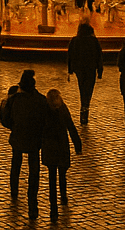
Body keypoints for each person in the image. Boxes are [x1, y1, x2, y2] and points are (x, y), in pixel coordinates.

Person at [7, 68, 48, 219]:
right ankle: (32, 205)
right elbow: (45, 120)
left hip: (18, 136)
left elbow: (7, 118)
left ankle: (14, 190)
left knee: (16, 163)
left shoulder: (14, 99)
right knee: (34, 170)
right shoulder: (41, 100)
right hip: (34, 140)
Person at [41, 88, 82, 221]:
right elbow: (71, 126)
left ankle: (53, 209)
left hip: (49, 148)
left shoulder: (45, 111)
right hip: (62, 147)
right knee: (62, 174)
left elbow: (39, 129)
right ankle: (63, 196)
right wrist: (77, 145)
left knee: (52, 179)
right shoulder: (63, 110)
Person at [66, 18, 103, 124]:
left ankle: (84, 107)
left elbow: (70, 55)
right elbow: (99, 56)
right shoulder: (94, 41)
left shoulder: (75, 40)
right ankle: (85, 107)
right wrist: (100, 70)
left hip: (79, 69)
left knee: (82, 87)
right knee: (89, 89)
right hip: (90, 68)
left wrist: (70, 69)